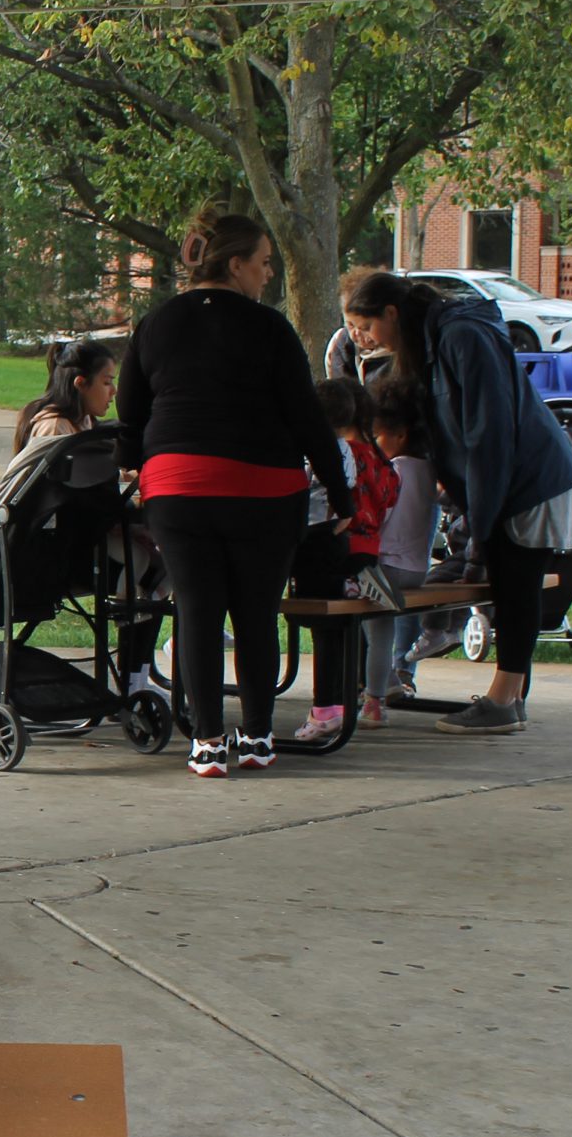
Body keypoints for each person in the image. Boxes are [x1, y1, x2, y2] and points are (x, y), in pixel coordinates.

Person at [117, 210, 352, 777]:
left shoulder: (156, 324)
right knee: (254, 614)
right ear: (237, 264)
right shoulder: (269, 328)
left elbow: (132, 409)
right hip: (263, 488)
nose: (268, 274)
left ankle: (206, 742)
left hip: (179, 484)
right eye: (265, 263)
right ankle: (256, 738)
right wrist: (341, 494)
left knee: (196, 610)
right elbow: (305, 416)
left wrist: (133, 467)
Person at [342, 270, 572, 736]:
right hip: (511, 479)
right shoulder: (432, 343)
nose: (364, 339)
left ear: (391, 313)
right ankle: (508, 699)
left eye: (367, 327)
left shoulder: (461, 337)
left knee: (516, 584)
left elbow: (487, 431)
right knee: (512, 583)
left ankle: (503, 700)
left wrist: (482, 519)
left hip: (527, 479)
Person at [291, 378, 398, 743]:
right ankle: (347, 698)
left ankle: (326, 708)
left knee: (317, 619)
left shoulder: (323, 451)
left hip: (329, 543)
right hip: (365, 548)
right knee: (343, 629)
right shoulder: (370, 455)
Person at [360, 388, 440, 728]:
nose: (375, 443)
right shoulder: (429, 469)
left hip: (387, 567)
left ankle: (375, 699)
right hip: (416, 569)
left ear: (400, 434)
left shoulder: (395, 471)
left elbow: (381, 522)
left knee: (375, 628)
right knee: (377, 625)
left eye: (377, 435)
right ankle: (385, 682)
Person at [14, 339, 118, 452]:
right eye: (107, 382)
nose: (114, 390)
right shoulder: (55, 428)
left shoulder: (84, 419)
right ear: (80, 384)